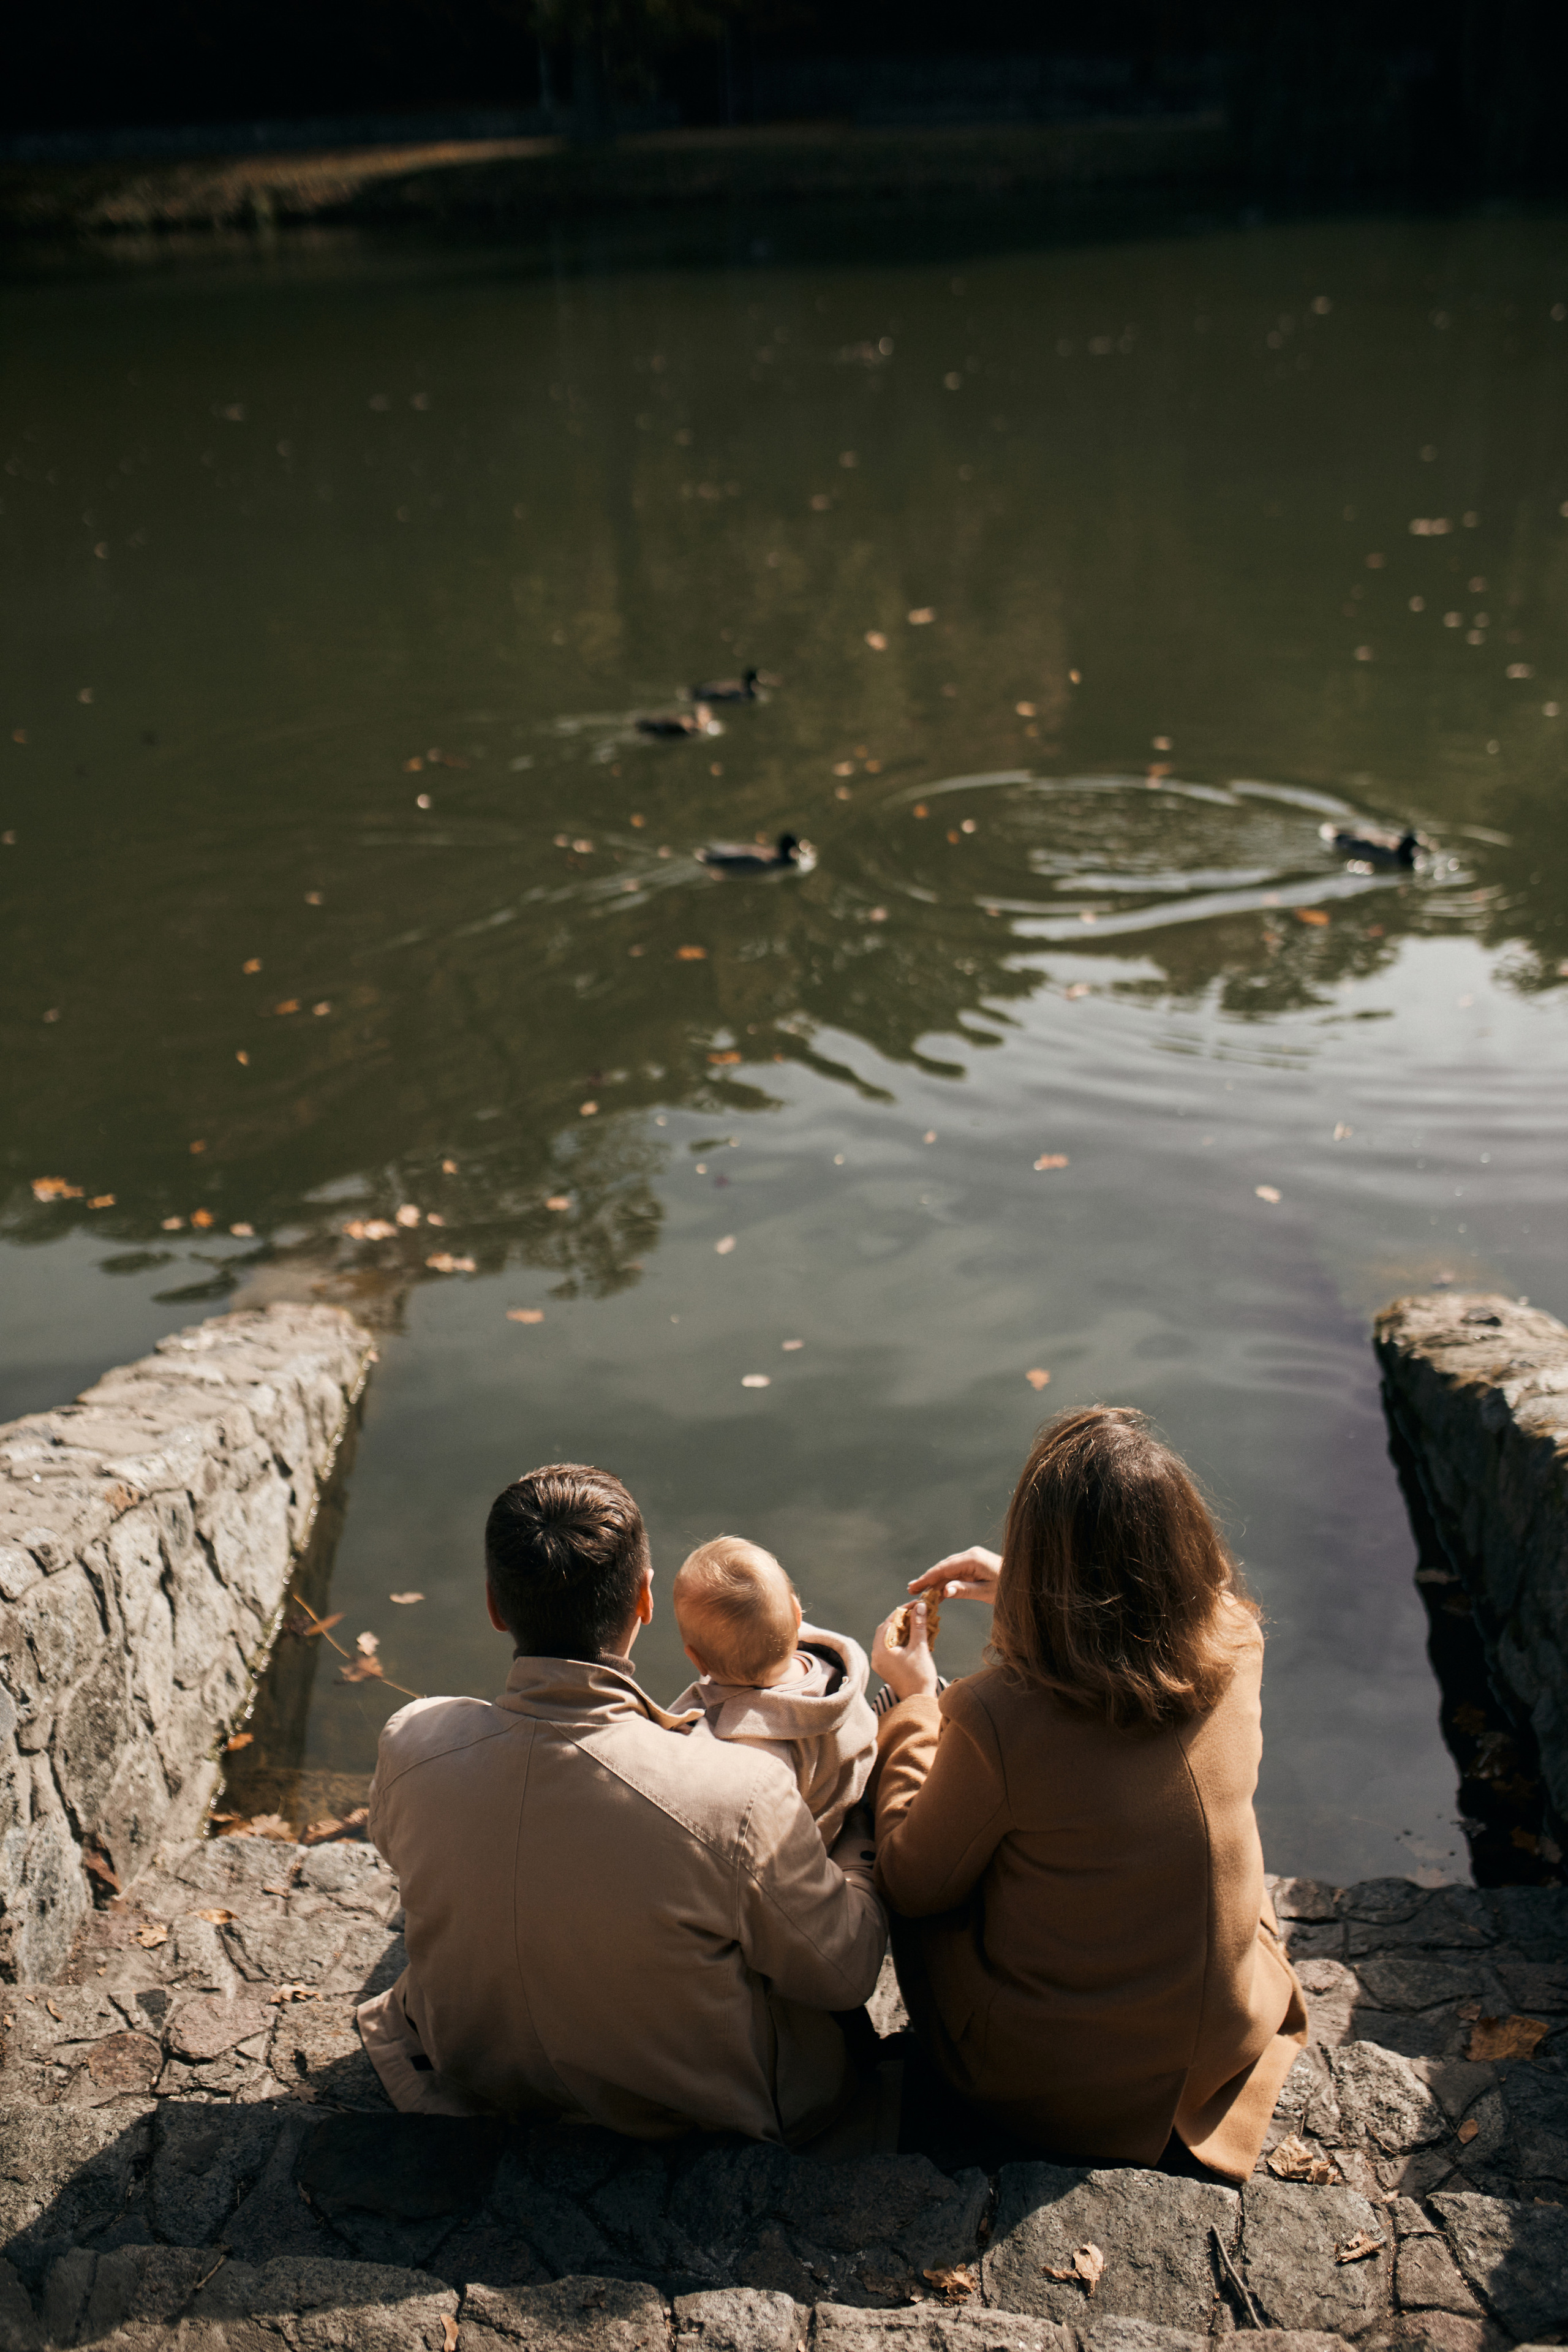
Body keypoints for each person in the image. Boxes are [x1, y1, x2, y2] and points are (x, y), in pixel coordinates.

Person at [357, 1463, 886, 2143]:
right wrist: (857, 1835)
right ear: (643, 1600)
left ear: (494, 1605)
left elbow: (400, 1851)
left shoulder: (412, 1741)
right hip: (676, 2117)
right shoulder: (734, 1794)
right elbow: (845, 1973)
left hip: (464, 2074)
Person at [870, 1404, 1306, 2180]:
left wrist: (912, 1705)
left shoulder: (994, 1715)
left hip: (1067, 2088)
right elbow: (1136, 1648)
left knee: (910, 1862)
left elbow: (913, 1882)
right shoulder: (1238, 1637)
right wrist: (1022, 1593)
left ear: (1043, 1562)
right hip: (1229, 2027)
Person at [670, 1535, 878, 1845]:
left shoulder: (748, 1750)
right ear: (797, 1615)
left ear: (697, 1660)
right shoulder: (837, 1667)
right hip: (846, 1807)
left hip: (811, 1850)